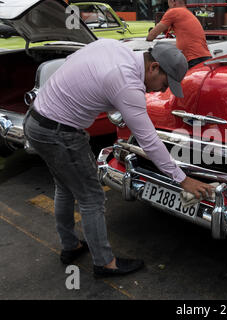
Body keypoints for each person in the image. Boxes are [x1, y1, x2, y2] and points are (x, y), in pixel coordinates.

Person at [23, 39, 215, 278]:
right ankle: (104, 263)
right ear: (154, 67)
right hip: (60, 134)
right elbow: (149, 141)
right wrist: (182, 179)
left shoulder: (114, 47)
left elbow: (72, 63)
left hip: (37, 120)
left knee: (65, 185)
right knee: (92, 197)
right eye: (165, 83)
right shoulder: (127, 84)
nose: (162, 90)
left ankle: (70, 245)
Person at [146, 0, 212, 69]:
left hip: (193, 59)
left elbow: (151, 36)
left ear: (172, 1)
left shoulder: (173, 12)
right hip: (203, 57)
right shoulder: (186, 12)